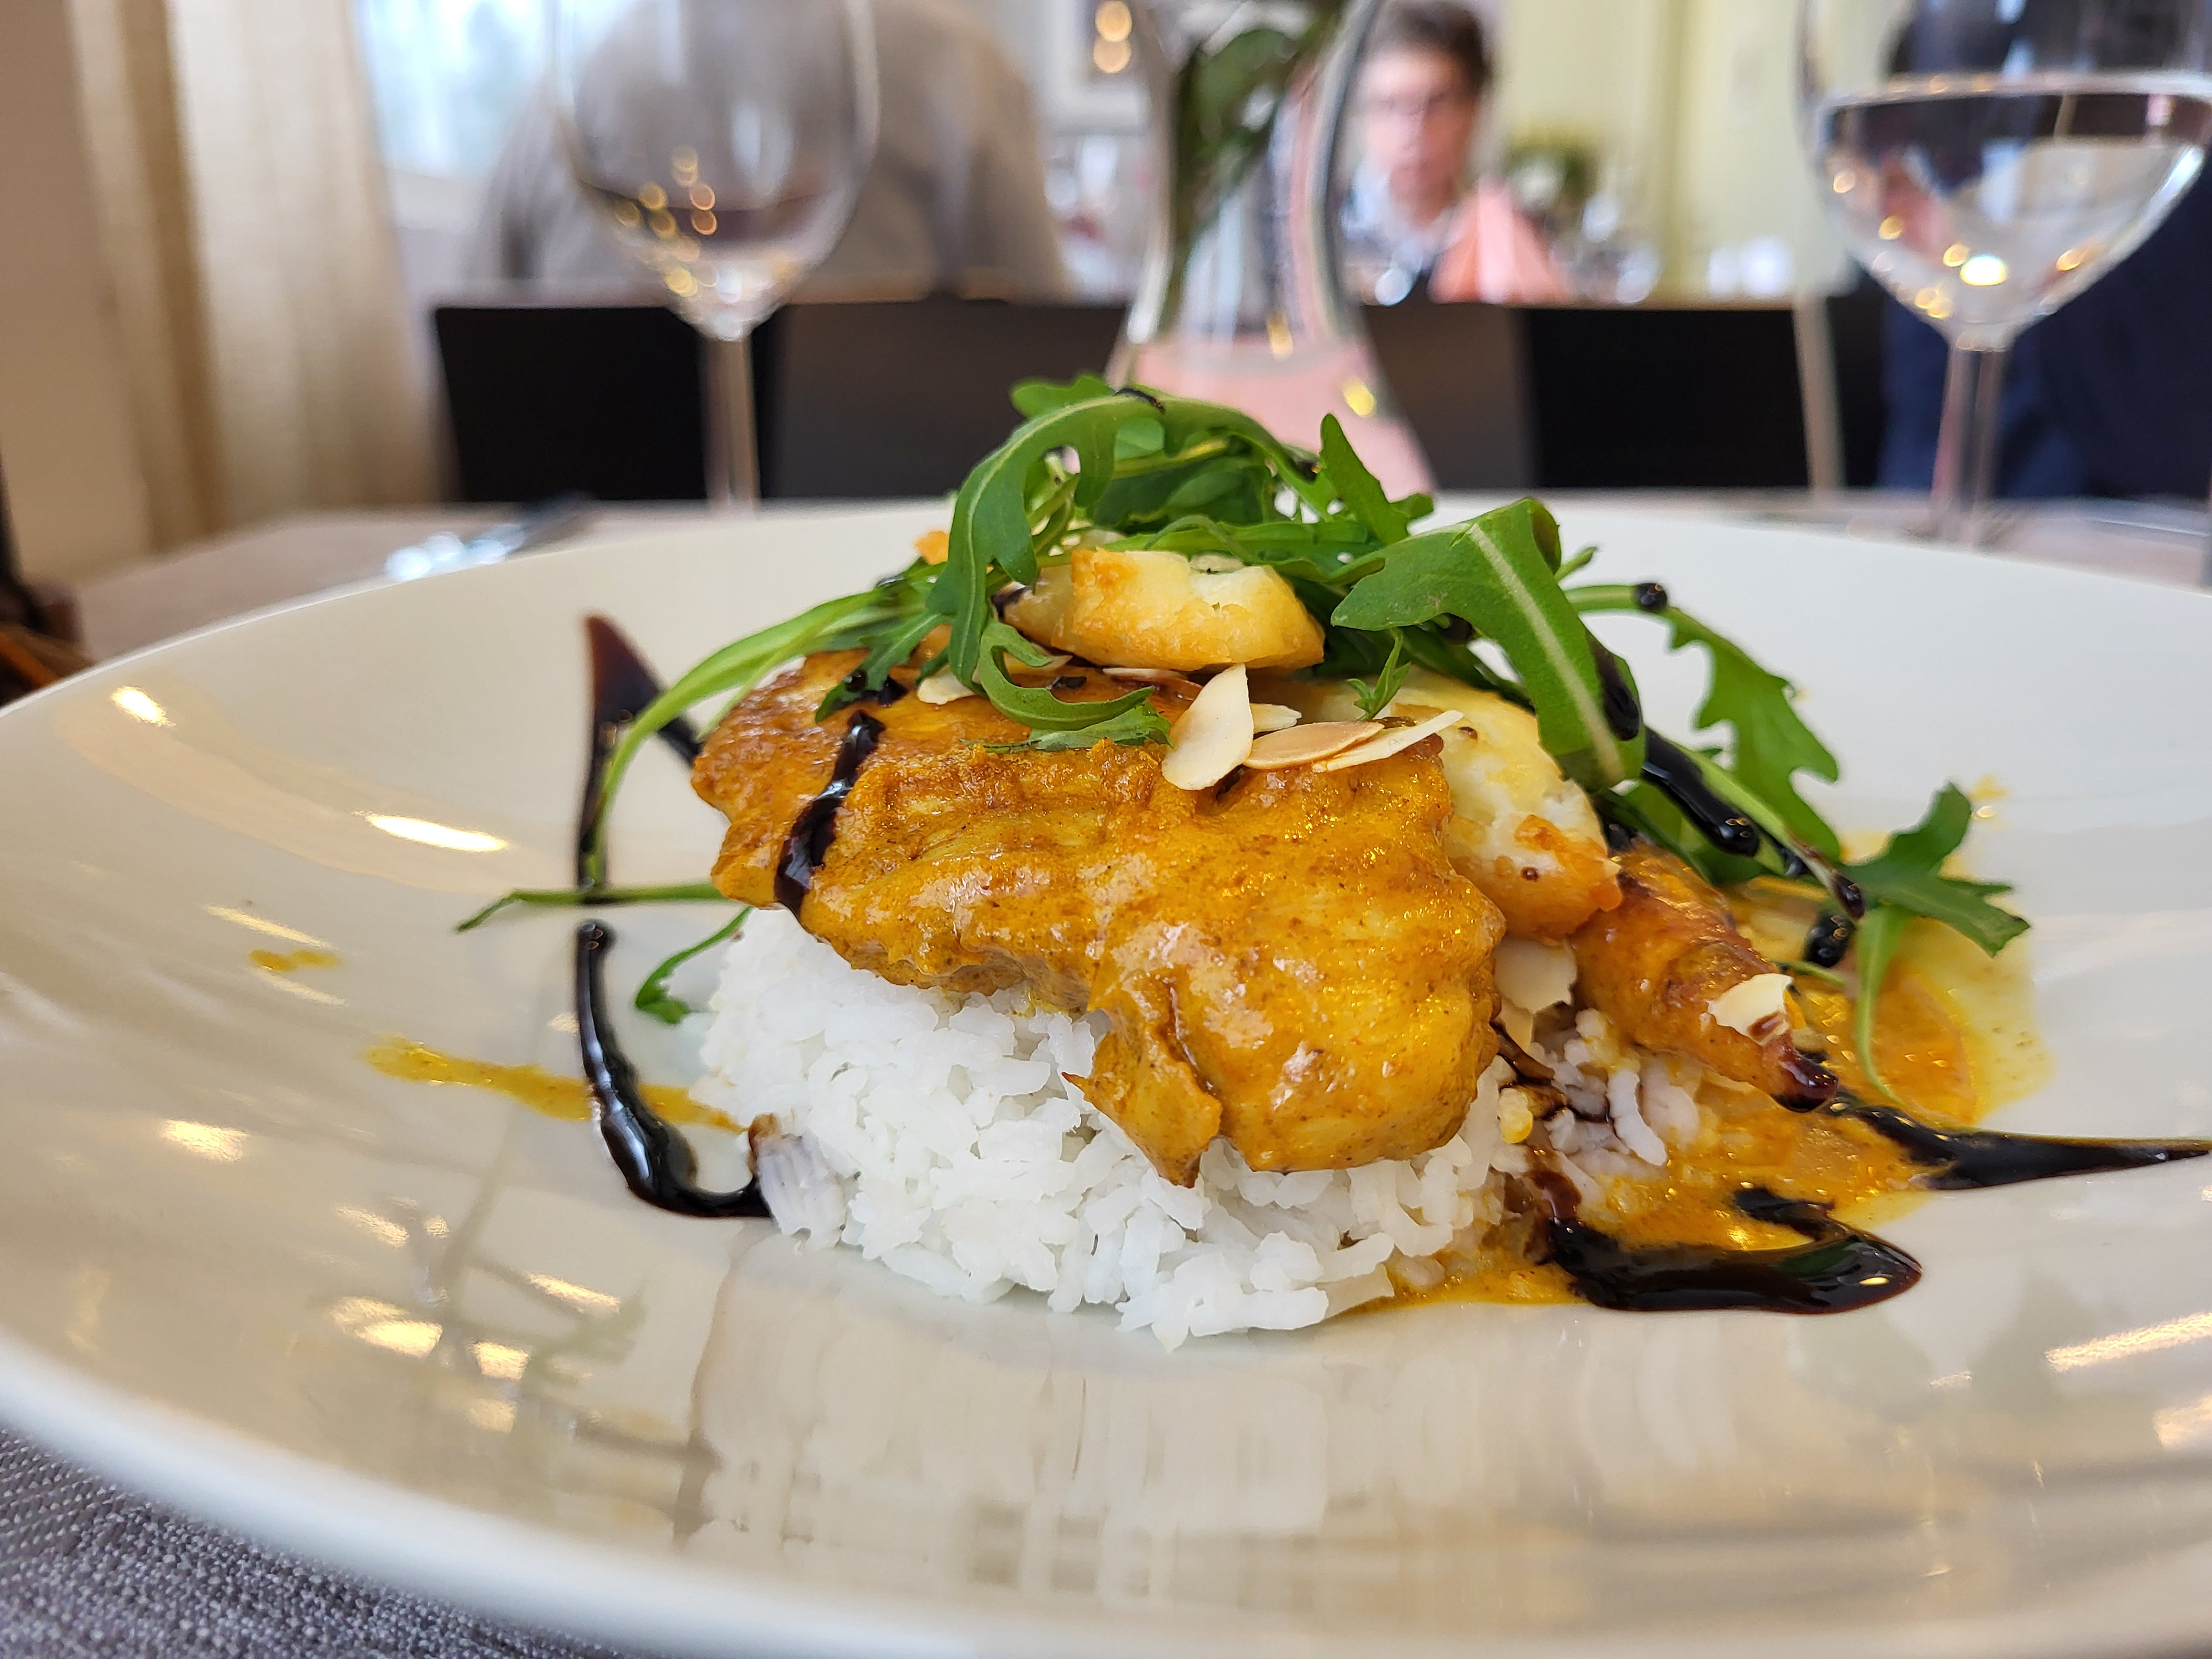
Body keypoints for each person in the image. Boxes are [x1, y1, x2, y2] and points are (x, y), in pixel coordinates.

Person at [467, 0, 1066, 299]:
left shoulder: (574, 76)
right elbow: (1042, 317)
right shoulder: (952, 59)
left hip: (585, 473)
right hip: (881, 467)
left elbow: (481, 307)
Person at [1340, 1, 1564, 305]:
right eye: (1389, 105)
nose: (1413, 132)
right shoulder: (1318, 237)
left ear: (1474, 108)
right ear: (1357, 113)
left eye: (1435, 104)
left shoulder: (1517, 236)